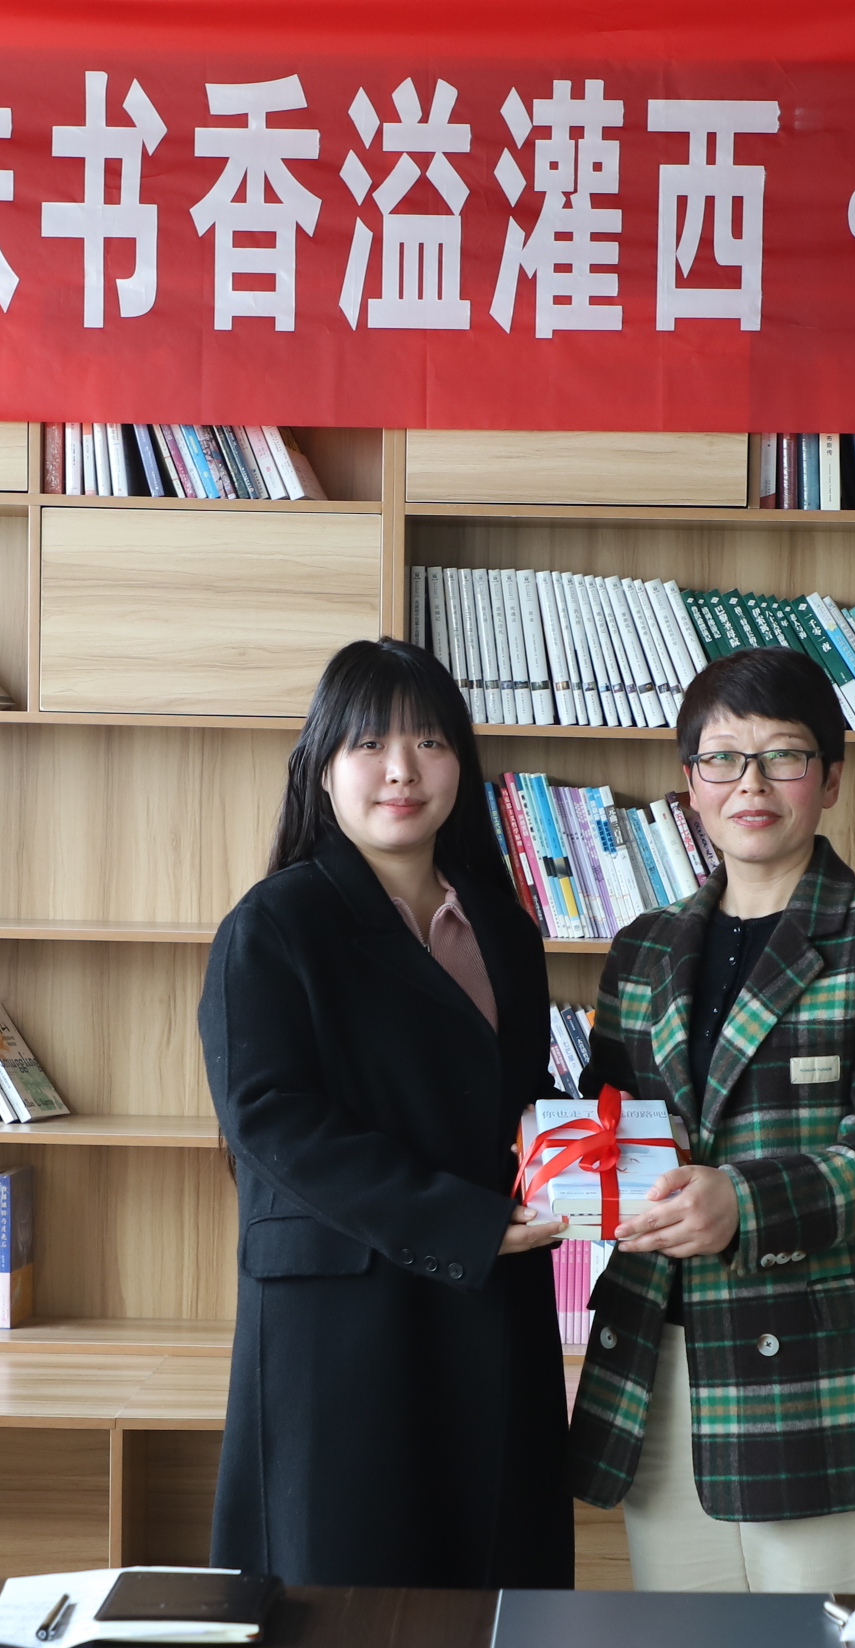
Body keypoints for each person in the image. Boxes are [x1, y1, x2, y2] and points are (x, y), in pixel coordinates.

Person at [569, 646, 855, 1593]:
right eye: (722, 758)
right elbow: (609, 1123)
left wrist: (741, 1203)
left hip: (822, 1370)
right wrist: (557, 1167)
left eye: (783, 755)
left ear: (830, 780)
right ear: (690, 785)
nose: (750, 783)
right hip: (660, 1362)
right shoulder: (642, 947)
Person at [199, 638, 572, 1588]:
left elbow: (517, 1104)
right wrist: (463, 1222)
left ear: (461, 765)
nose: (402, 769)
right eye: (369, 743)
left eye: (430, 742)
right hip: (345, 1318)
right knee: (343, 1611)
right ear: (323, 768)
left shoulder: (503, 927)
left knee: (495, 1601)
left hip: (491, 1300)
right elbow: (271, 1120)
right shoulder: (273, 924)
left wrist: (601, 1161)